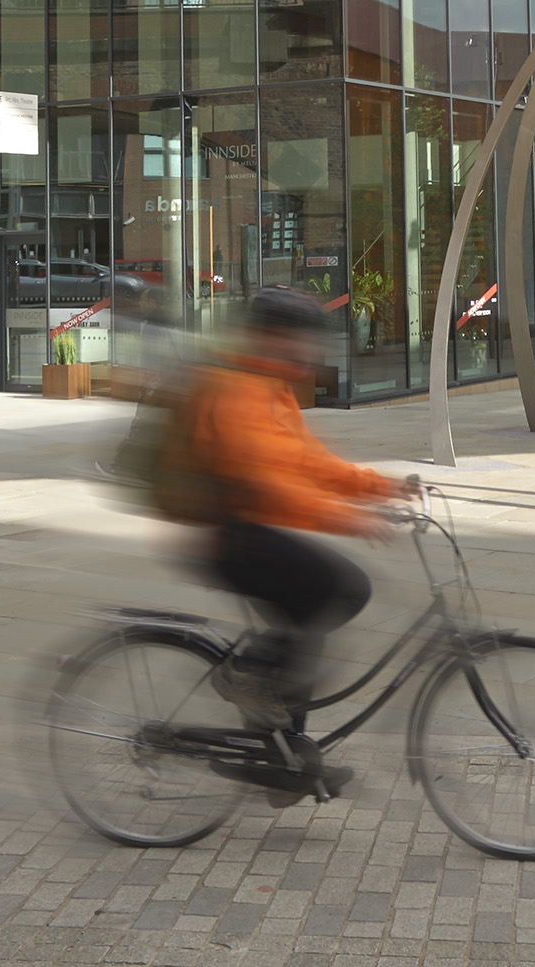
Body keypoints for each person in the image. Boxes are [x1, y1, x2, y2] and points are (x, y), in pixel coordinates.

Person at [182, 289, 410, 786]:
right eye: (302, 339)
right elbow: (267, 484)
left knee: (303, 629)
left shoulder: (271, 387)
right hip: (229, 536)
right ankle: (243, 677)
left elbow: (309, 463)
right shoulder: (237, 388)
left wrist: (381, 486)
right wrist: (348, 519)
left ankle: (282, 757)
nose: (310, 352)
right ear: (272, 337)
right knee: (343, 587)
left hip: (252, 529)